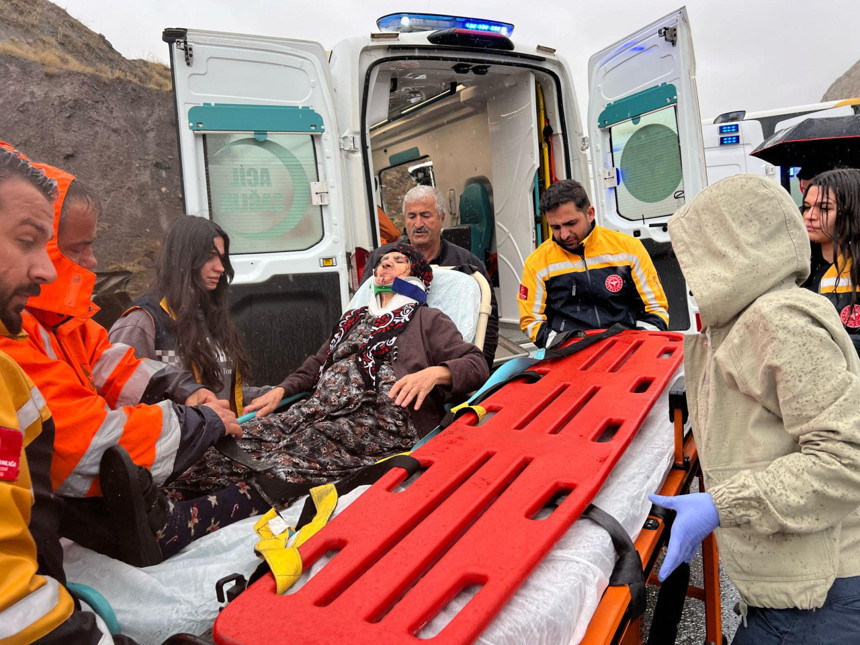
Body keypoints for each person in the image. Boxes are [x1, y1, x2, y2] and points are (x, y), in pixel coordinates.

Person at [0, 159, 246, 565]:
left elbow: (119, 366)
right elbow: (85, 443)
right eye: (76, 248)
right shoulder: (138, 321)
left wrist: (187, 391)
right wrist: (202, 421)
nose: (93, 261)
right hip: (69, 521)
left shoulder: (65, 323)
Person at [651, 174, 860, 643]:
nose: (688, 269)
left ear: (730, 249)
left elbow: (847, 460)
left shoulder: (778, 321)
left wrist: (721, 504)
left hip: (819, 598)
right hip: (786, 586)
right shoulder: (735, 322)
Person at [172, 243, 488, 506]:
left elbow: (476, 364)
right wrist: (282, 391)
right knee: (247, 438)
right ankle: (163, 494)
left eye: (399, 261)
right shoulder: (354, 319)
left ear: (417, 276)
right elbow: (316, 363)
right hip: (317, 410)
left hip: (380, 422)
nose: (385, 265)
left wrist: (434, 373)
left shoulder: (427, 320)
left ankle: (195, 517)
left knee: (290, 459)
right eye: (381, 262)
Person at [0, 147, 128, 642]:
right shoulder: (23, 343)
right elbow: (88, 442)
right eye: (29, 243)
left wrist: (186, 392)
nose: (48, 271)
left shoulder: (17, 362)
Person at [109, 216, 270, 414]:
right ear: (184, 260)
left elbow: (222, 392)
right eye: (209, 257)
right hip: (175, 443)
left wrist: (279, 392)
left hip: (220, 438)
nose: (220, 267)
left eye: (221, 257)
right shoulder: (140, 323)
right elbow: (121, 401)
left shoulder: (210, 317)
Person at [519, 179, 669, 347]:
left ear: (590, 213)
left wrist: (638, 345)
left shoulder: (628, 248)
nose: (564, 234)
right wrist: (564, 347)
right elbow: (531, 321)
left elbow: (656, 308)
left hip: (628, 348)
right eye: (555, 227)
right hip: (569, 354)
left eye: (570, 223)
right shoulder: (537, 263)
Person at [361, 185, 499, 368]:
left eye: (425, 216)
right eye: (412, 217)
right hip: (386, 362)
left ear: (441, 218)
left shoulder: (467, 265)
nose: (418, 224)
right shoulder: (382, 260)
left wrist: (478, 369)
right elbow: (363, 310)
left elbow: (488, 320)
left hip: (445, 365)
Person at [800, 167, 860, 355]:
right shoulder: (797, 269)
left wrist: (827, 343)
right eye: (807, 207)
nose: (810, 216)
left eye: (824, 208)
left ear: (851, 211)